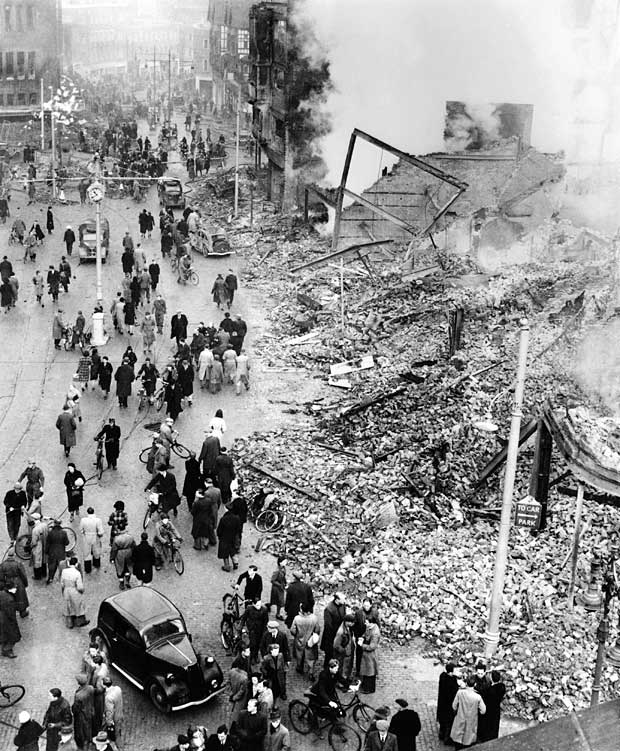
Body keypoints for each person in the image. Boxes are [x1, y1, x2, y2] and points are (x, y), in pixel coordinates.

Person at [450, 674, 486, 749]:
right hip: (471, 723)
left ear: (466, 683)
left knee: (458, 744)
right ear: (475, 684)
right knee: (468, 744)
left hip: (460, 720)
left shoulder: (460, 693)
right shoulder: (477, 697)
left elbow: (454, 706)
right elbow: (483, 711)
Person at [291, 602, 320, 679]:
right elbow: (317, 629)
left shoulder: (297, 618)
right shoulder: (314, 618)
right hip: (310, 641)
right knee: (311, 657)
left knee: (299, 655)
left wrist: (297, 635)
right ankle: (311, 672)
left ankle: (299, 667)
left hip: (300, 640)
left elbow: (292, 630)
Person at [477, 670, 505, 742]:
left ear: (492, 678)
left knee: (487, 727)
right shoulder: (502, 687)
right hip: (496, 710)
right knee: (494, 726)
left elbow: (483, 697)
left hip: (489, 710)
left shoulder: (490, 690)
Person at [61, 556, 89, 629]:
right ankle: (79, 621)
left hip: (66, 590)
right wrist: (82, 591)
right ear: (76, 564)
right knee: (78, 606)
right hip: (74, 590)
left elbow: (62, 583)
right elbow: (79, 587)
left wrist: (63, 591)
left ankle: (70, 623)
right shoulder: (77, 573)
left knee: (68, 605)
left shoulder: (64, 571)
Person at [321, 592, 346, 665]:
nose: (345, 601)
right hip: (330, 636)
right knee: (329, 655)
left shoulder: (342, 605)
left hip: (340, 634)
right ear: (337, 599)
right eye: (343, 599)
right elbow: (328, 626)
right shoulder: (329, 609)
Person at [436, 662, 459, 742]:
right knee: (449, 723)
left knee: (442, 722)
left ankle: (441, 734)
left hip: (442, 703)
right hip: (449, 705)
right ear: (451, 672)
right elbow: (455, 691)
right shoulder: (452, 681)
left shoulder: (442, 676)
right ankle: (447, 739)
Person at [72, 674, 95, 751]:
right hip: (89, 711)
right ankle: (88, 740)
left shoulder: (79, 695)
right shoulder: (91, 688)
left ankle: (82, 745)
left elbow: (75, 708)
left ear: (79, 683)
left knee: (80, 730)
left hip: (81, 715)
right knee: (88, 727)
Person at [358, 614, 380, 694]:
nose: (365, 624)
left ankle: (370, 689)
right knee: (367, 670)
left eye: (366, 622)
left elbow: (372, 646)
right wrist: (362, 637)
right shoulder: (370, 627)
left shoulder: (375, 633)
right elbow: (366, 633)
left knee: (370, 671)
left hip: (370, 654)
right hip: (367, 654)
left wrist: (362, 645)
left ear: (371, 623)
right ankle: (365, 685)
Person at [110, 522, 135, 589]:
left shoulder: (116, 538)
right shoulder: (130, 537)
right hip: (129, 552)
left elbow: (114, 550)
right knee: (128, 567)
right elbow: (134, 546)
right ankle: (127, 581)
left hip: (120, 554)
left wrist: (112, 558)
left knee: (120, 568)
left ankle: (121, 583)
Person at [217, 503, 241, 572]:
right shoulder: (237, 518)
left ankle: (227, 566)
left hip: (224, 538)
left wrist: (219, 536)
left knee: (224, 552)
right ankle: (235, 562)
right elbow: (238, 529)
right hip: (233, 537)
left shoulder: (223, 519)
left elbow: (219, 530)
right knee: (232, 550)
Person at [80, 507, 104, 574]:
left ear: (87, 512)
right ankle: (96, 564)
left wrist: (85, 533)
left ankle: (88, 568)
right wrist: (99, 535)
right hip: (95, 536)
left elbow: (81, 529)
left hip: (87, 537)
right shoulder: (98, 520)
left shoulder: (83, 520)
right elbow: (101, 531)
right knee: (96, 551)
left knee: (87, 552)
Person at [333, 613, 356, 680]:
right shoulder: (341, 632)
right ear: (347, 622)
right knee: (342, 668)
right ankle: (341, 682)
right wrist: (344, 651)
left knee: (347, 667)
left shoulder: (347, 628)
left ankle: (345, 678)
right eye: (351, 622)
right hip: (343, 655)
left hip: (348, 653)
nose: (353, 624)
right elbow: (336, 645)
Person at [46, 520, 69, 584]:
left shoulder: (51, 533)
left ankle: (50, 578)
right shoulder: (64, 532)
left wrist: (46, 551)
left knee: (51, 566)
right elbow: (67, 543)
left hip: (52, 552)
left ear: (54, 523)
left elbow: (47, 543)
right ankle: (63, 579)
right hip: (61, 552)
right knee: (62, 566)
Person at [103, 678, 123, 747]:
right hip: (120, 714)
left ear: (104, 686)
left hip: (114, 718)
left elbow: (109, 712)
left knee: (115, 735)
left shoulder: (108, 697)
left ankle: (118, 747)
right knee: (118, 731)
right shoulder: (118, 688)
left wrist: (109, 722)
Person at [269, 556, 287, 621]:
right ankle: (278, 614)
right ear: (280, 563)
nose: (286, 562)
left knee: (275, 600)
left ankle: (269, 606)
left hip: (280, 587)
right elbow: (272, 580)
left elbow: (283, 577)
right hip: (277, 588)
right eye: (284, 561)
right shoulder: (276, 571)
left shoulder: (283, 568)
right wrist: (280, 585)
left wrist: (285, 582)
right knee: (279, 601)